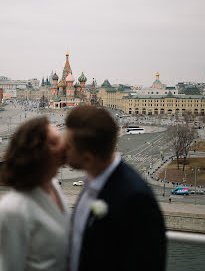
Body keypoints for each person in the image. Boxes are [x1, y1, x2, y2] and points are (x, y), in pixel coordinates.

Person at [65, 106, 166, 271]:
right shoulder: (94, 180)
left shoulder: (136, 200)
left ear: (87, 159)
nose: (63, 149)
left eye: (68, 146)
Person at [0, 117, 69, 271]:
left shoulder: (54, 185)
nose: (64, 147)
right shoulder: (12, 209)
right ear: (36, 154)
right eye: (54, 143)